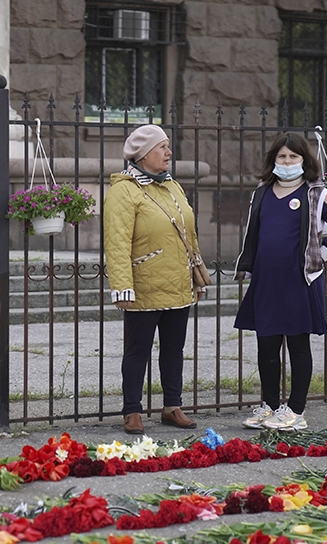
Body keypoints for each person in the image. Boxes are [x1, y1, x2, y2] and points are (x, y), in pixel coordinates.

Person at [234, 133, 327, 432]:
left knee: (298, 345)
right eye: (282, 157)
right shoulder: (262, 192)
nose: (287, 162)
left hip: (300, 281)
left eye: (293, 157)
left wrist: (320, 255)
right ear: (273, 160)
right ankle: (270, 406)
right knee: (267, 345)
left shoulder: (318, 194)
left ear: (304, 160)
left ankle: (295, 410)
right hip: (267, 281)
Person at [104, 124, 204, 434]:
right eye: (162, 147)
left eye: (167, 146)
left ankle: (172, 406)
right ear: (144, 154)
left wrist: (197, 275)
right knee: (138, 350)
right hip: (144, 285)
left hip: (177, 282)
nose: (168, 153)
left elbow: (189, 232)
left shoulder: (172, 185)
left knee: (174, 349)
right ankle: (132, 410)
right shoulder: (124, 190)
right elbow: (116, 241)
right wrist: (122, 286)